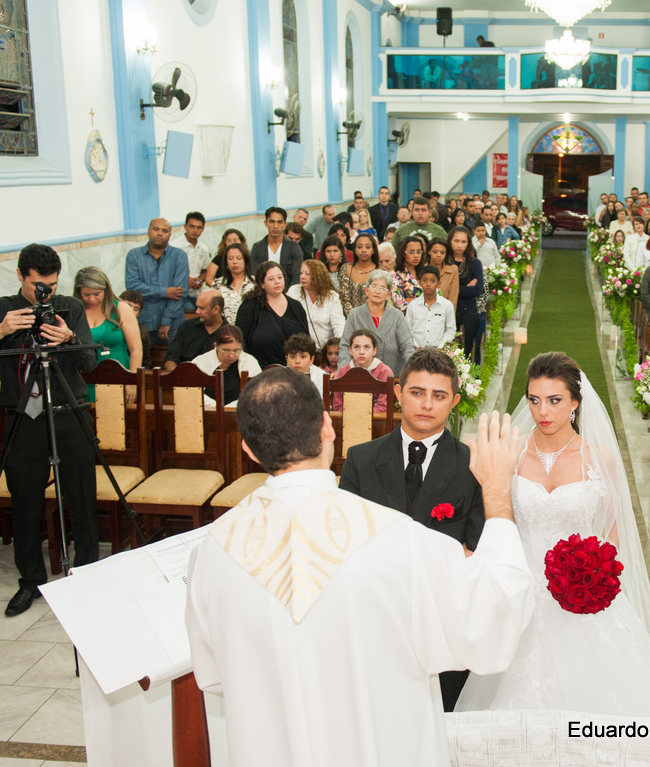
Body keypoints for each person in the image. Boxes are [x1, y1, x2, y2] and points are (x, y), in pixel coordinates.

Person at [185, 371, 533, 767]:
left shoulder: (214, 549)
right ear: (327, 427)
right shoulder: (397, 538)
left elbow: (212, 674)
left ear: (247, 449)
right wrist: (496, 490)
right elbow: (494, 617)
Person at [456, 352, 650, 719]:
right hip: (520, 586)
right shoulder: (511, 453)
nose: (544, 411)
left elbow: (611, 534)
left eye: (555, 400)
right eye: (535, 400)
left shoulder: (600, 458)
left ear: (575, 402)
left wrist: (595, 578)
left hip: (580, 588)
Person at [339, 348, 486, 709]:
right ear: (398, 391)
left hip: (443, 626)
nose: (427, 404)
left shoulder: (473, 465)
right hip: (376, 620)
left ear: (454, 401)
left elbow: (477, 548)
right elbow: (344, 541)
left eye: (438, 396)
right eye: (417, 392)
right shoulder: (361, 458)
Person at [0, 244, 98, 616]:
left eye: (52, 285)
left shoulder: (70, 307)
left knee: (82, 496)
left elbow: (89, 361)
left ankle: (86, 572)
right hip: (23, 418)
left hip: (69, 412)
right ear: (21, 276)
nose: (46, 293)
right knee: (24, 501)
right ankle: (31, 581)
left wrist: (69, 339)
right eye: (39, 285)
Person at [74, 267, 143, 387]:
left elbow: (136, 349)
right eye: (86, 294)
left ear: (106, 290)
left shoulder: (121, 308)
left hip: (119, 374)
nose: (92, 299)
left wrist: (133, 381)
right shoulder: (75, 311)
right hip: (84, 377)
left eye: (96, 294)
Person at [125, 217, 189, 344]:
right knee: (144, 360)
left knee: (173, 360)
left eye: (165, 231)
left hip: (172, 323)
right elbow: (132, 287)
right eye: (156, 229)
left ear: (170, 234)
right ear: (149, 231)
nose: (160, 233)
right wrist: (164, 292)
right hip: (142, 321)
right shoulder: (134, 255)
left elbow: (179, 293)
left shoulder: (179, 256)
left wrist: (166, 322)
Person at [235, 262, 311, 369]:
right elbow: (241, 342)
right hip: (260, 372)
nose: (277, 282)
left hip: (295, 372)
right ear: (262, 284)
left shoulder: (296, 306)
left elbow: (306, 341)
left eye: (280, 277)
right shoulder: (249, 307)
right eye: (271, 279)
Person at [339, 271, 416, 376]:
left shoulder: (397, 316)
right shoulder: (355, 314)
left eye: (383, 288)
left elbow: (407, 347)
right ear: (366, 291)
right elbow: (345, 346)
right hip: (358, 377)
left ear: (388, 295)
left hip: (392, 376)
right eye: (374, 286)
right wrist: (344, 372)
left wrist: (412, 372)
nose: (377, 291)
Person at [190, 324, 263, 407]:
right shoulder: (200, 362)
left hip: (239, 412)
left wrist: (228, 409)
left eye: (236, 350)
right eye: (226, 350)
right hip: (206, 412)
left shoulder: (250, 361)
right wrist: (217, 407)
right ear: (216, 346)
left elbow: (255, 393)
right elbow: (192, 393)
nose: (231, 355)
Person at [333, 328, 397, 412]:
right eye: (357, 347)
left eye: (366, 347)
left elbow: (383, 407)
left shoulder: (385, 372)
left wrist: (362, 417)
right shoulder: (343, 372)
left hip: (376, 422)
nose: (361, 352)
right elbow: (338, 406)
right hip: (347, 421)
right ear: (350, 350)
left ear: (374, 350)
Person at [450, 226, 486, 365]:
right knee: (451, 349)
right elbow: (442, 289)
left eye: (463, 242)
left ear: (468, 243)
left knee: (467, 350)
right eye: (456, 241)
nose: (459, 245)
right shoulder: (446, 262)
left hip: (469, 310)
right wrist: (465, 287)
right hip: (449, 308)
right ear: (450, 241)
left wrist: (454, 288)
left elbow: (477, 290)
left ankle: (469, 382)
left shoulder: (474, 263)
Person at [163, 288, 225, 370]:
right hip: (184, 378)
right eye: (197, 307)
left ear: (216, 309)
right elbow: (171, 358)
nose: (197, 312)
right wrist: (176, 375)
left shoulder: (230, 333)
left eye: (201, 308)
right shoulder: (186, 327)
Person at [287, 259, 345, 345]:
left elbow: (339, 325)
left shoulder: (331, 296)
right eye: (301, 273)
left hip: (325, 349)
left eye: (307, 274)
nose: (302, 276)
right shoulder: (293, 291)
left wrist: (338, 345)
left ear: (318, 276)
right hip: (301, 348)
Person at [250, 206, 304, 289]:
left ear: (285, 224)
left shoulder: (294, 247)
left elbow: (296, 276)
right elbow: (255, 276)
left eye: (279, 222)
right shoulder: (257, 248)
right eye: (272, 222)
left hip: (288, 294)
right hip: (263, 294)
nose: (275, 226)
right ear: (265, 223)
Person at [406, 266, 457, 349]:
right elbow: (408, 330)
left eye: (433, 281)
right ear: (420, 282)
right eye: (425, 280)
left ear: (438, 284)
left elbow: (451, 329)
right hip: (417, 351)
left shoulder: (447, 305)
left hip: (439, 351)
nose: (428, 284)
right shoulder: (413, 305)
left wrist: (441, 347)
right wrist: (416, 346)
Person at [173, 212, 213, 308]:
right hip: (180, 293)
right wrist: (185, 280)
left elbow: (204, 270)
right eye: (192, 226)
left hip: (198, 292)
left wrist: (199, 281)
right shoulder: (175, 247)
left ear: (203, 229)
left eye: (199, 227)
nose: (195, 230)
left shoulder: (204, 249)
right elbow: (169, 272)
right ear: (185, 226)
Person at [212, 242, 255, 324]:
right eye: (230, 259)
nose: (234, 262)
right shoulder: (217, 284)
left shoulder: (256, 283)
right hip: (225, 330)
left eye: (239, 258)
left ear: (245, 261)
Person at [342, 232, 380, 313]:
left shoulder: (380, 271)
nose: (363, 250)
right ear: (355, 249)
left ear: (373, 250)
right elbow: (344, 299)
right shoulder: (346, 268)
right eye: (359, 247)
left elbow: (381, 300)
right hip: (350, 319)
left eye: (367, 247)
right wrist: (354, 318)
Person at [392, 235, 427, 311]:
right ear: (403, 254)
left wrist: (411, 300)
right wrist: (424, 302)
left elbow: (437, 298)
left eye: (418, 252)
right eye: (411, 252)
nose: (416, 255)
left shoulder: (426, 272)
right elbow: (399, 304)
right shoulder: (395, 275)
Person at [117, 290, 152, 368]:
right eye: (128, 306)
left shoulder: (142, 331)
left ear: (139, 314)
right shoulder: (107, 326)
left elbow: (145, 362)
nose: (130, 311)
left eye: (136, 309)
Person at [427, 238, 460, 304]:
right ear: (429, 251)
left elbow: (453, 298)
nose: (439, 255)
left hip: (444, 311)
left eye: (442, 253)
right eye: (435, 252)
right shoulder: (421, 268)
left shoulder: (453, 270)